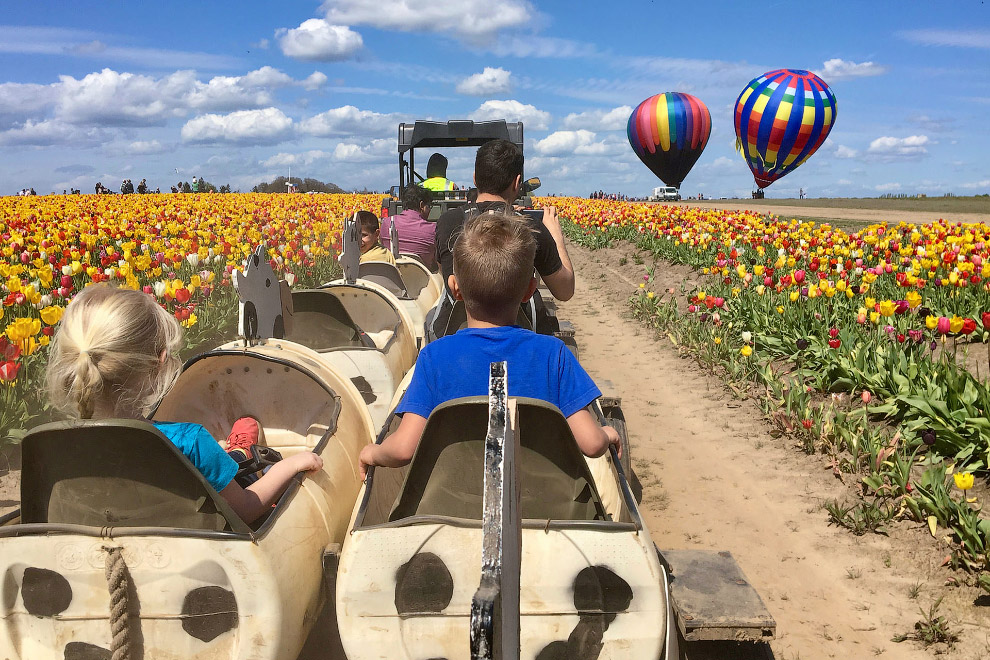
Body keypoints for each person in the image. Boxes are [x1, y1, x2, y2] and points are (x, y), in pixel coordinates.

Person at [359, 213, 620, 478]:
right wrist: (607, 434)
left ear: (454, 288)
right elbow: (591, 444)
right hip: (542, 499)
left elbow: (403, 449)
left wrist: (373, 452)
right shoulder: (555, 354)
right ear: (530, 290)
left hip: (454, 498)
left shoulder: (434, 357)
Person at [45, 285, 323, 524]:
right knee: (264, 471)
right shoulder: (189, 442)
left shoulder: (56, 447)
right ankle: (241, 456)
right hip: (197, 551)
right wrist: (291, 465)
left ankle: (235, 455)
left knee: (225, 461)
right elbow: (245, 509)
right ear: (160, 361)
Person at [432, 139, 574, 334]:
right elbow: (564, 291)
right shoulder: (529, 227)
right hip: (519, 337)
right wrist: (555, 236)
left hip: (454, 333)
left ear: (475, 179)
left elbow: (444, 271)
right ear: (517, 182)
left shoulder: (447, 222)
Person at [381, 185, 437, 270]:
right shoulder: (433, 229)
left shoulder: (386, 223)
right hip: (423, 277)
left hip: (392, 274)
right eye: (429, 206)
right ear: (421, 205)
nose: (429, 210)